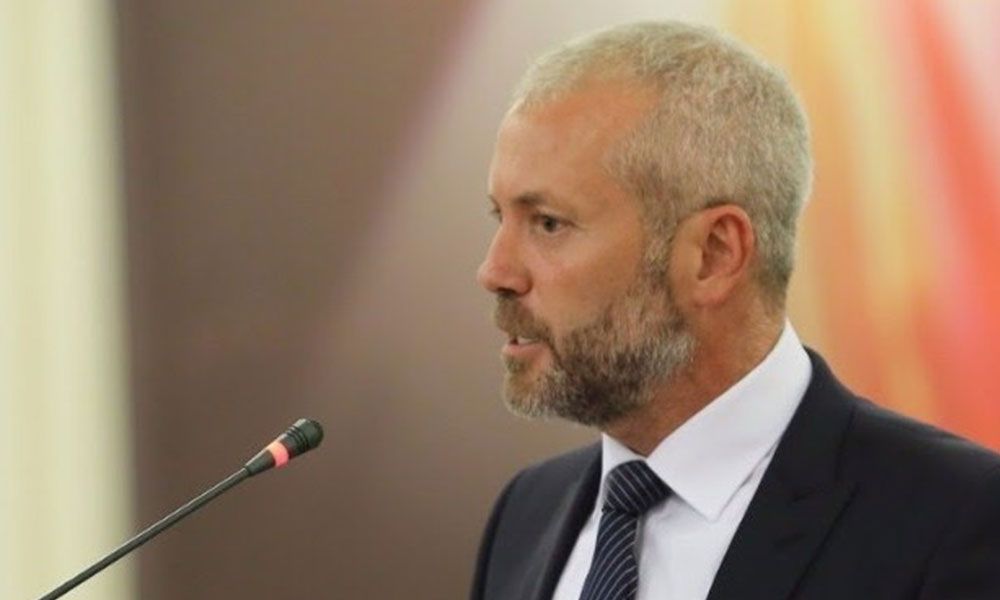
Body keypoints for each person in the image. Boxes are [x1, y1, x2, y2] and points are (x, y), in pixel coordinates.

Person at [470, 20, 1000, 600]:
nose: (494, 272)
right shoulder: (524, 514)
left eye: (549, 223)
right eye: (501, 217)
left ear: (715, 254)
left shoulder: (959, 520)